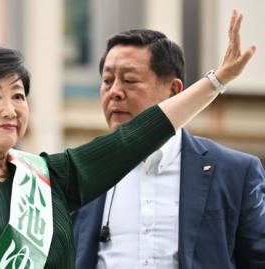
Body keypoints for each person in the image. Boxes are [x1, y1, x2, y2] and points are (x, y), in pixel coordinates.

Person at [0, 10, 255, 268]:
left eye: (18, 96)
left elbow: (134, 140)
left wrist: (217, 80)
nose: (10, 110)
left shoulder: (50, 178)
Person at [73, 11, 265, 269]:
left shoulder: (235, 172)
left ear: (174, 90)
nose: (115, 92)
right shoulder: (80, 173)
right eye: (107, 81)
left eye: (129, 81)